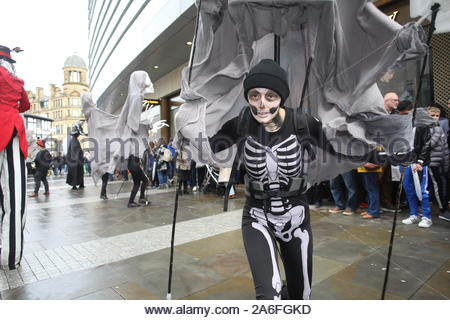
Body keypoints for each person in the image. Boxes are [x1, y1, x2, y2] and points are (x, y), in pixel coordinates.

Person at [208, 59, 324, 299]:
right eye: (254, 96)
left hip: (297, 217)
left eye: (270, 96)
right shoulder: (239, 124)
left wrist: (383, 150)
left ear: (281, 97)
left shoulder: (303, 123)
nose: (261, 104)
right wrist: (187, 131)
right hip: (256, 214)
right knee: (269, 298)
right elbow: (204, 146)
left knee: (302, 296)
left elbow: (340, 148)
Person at [0, 45, 29, 270]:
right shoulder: (12, 78)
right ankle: (11, 256)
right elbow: (25, 104)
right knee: (15, 199)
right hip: (9, 130)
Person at [397, 101, 433, 228]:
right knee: (408, 188)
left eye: (405, 114)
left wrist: (421, 161)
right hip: (405, 161)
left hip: (418, 161)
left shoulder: (422, 124)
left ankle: (427, 217)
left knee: (422, 190)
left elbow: (427, 143)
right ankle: (414, 214)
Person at [427, 105, 450, 221]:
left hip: (439, 162)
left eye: (437, 116)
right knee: (436, 186)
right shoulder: (426, 128)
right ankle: (442, 209)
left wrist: (446, 164)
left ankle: (443, 207)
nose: (435, 118)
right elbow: (428, 145)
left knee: (439, 185)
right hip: (431, 163)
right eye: (433, 115)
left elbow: (445, 148)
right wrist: (437, 132)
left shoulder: (439, 127)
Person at [378, 92, 400, 213]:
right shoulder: (378, 113)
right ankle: (377, 203)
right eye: (394, 100)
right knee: (378, 177)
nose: (397, 102)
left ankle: (387, 201)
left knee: (389, 178)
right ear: (386, 101)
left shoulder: (397, 115)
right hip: (379, 150)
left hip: (393, 151)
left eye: (397, 100)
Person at [357, 148, 383, 219]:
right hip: (364, 166)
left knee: (372, 189)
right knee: (369, 189)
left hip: (370, 166)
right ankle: (370, 210)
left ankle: (374, 212)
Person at [66, 122, 85, 190]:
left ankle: (79, 184)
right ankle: (77, 184)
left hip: (76, 161)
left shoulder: (74, 140)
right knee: (76, 173)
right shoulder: (74, 141)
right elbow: (76, 151)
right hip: (76, 161)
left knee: (78, 173)